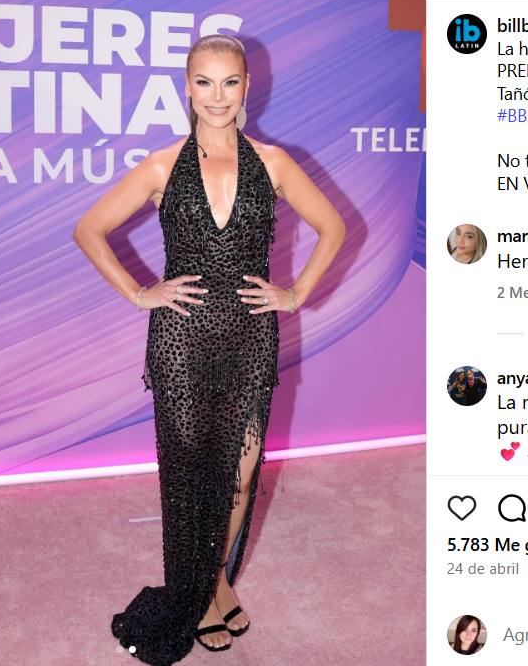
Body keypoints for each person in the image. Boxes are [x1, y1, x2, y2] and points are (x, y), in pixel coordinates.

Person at [72, 34, 345, 664]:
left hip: (250, 338)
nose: (217, 96)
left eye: (229, 82)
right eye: (204, 81)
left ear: (248, 86)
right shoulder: (162, 165)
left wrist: (295, 293)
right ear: (187, 86)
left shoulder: (273, 163)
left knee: (240, 478)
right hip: (182, 341)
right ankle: (202, 593)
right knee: (191, 478)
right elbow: (88, 229)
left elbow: (332, 226)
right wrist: (140, 293)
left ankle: (212, 582)